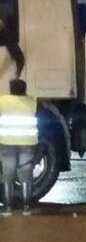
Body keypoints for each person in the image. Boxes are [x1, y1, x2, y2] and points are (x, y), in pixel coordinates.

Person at [0, 79, 38, 215]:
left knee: (8, 173)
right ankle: (27, 207)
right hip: (27, 142)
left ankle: (8, 207)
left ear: (10, 89)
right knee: (26, 173)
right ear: (24, 89)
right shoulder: (32, 101)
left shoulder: (2, 101)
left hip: (7, 142)